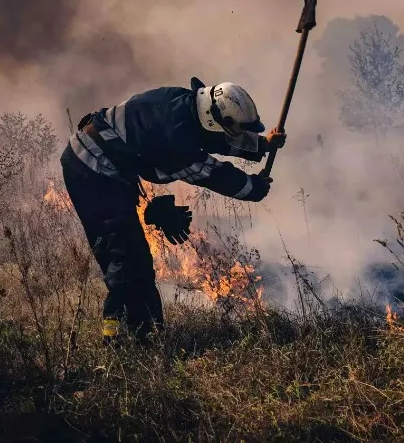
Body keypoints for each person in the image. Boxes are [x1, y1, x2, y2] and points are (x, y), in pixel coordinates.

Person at [60, 77, 286, 345]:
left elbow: (213, 138)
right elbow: (212, 174)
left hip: (110, 165)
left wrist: (260, 145)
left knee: (134, 256)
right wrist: (254, 187)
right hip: (91, 170)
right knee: (124, 255)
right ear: (214, 116)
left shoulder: (188, 105)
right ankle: (122, 337)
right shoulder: (177, 141)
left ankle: (146, 331)